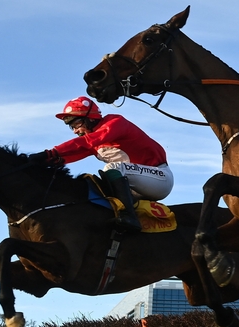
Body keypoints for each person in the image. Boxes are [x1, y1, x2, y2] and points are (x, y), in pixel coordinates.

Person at [29, 96, 173, 231]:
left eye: (77, 124)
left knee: (112, 168)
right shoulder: (93, 141)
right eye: (71, 127)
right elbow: (69, 155)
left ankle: (130, 217)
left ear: (91, 119)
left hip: (160, 178)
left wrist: (49, 152)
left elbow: (85, 142)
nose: (75, 131)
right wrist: (40, 162)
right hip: (136, 186)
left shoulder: (115, 123)